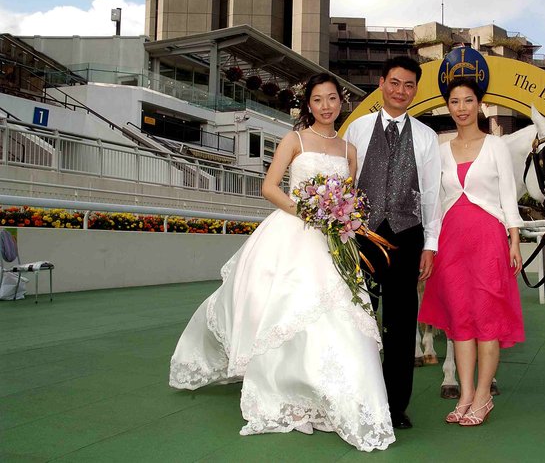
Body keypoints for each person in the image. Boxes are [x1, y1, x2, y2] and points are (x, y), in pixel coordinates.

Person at [168, 73, 395, 452]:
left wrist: (339, 217)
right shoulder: (295, 140)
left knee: (339, 317)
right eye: (318, 99)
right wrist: (308, 211)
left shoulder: (349, 150)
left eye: (332, 98)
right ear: (308, 104)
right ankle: (287, 393)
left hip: (334, 242)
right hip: (294, 233)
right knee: (288, 310)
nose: (326, 106)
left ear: (341, 102)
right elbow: (269, 187)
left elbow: (349, 198)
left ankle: (332, 397)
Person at [418, 77, 525, 427]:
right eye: (454, 101)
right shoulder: (441, 150)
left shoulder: (496, 146)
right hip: (451, 244)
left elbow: (508, 195)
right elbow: (434, 203)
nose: (461, 108)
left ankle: (482, 397)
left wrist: (514, 239)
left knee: (487, 319)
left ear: (479, 104)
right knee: (460, 322)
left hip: (488, 241)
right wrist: (431, 246)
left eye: (468, 100)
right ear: (447, 106)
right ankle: (465, 396)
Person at [343, 56, 442, 430]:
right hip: (362, 236)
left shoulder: (427, 137)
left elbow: (431, 193)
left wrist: (430, 244)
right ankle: (358, 397)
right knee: (359, 319)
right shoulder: (356, 129)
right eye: (395, 83)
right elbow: (346, 183)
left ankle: (395, 405)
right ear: (382, 83)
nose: (401, 91)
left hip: (407, 234)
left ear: (416, 90)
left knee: (401, 326)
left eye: (409, 85)